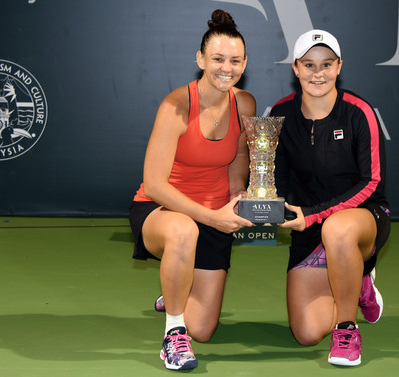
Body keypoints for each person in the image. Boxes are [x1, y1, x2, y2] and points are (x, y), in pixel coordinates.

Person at [128, 9, 255, 371]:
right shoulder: (176, 106)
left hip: (215, 214)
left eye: (234, 60)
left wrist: (237, 197)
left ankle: (173, 290)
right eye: (217, 59)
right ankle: (172, 336)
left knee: (202, 327)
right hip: (162, 211)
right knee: (184, 230)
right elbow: (154, 183)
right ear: (200, 59)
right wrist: (211, 217)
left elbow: (239, 156)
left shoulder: (244, 104)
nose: (225, 68)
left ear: (244, 63)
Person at [270, 29, 391, 367]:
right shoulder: (280, 113)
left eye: (326, 64)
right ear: (295, 68)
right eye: (308, 65)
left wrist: (314, 213)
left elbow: (372, 182)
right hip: (308, 225)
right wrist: (266, 204)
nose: (317, 73)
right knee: (306, 333)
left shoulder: (358, 112)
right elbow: (275, 179)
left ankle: (347, 326)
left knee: (337, 230)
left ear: (339, 66)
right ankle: (358, 282)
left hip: (361, 218)